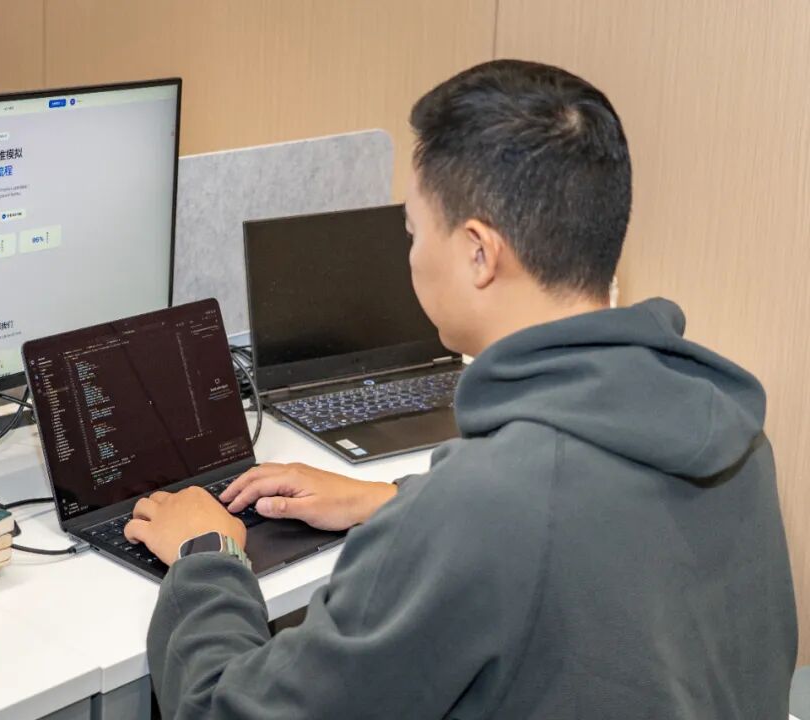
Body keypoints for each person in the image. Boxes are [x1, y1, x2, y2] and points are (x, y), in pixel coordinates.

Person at [122, 59, 797, 718]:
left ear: (479, 252)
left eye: (413, 232)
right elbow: (586, 526)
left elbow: (230, 709)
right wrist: (390, 500)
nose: (410, 256)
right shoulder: (723, 428)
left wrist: (207, 556)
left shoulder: (482, 510)